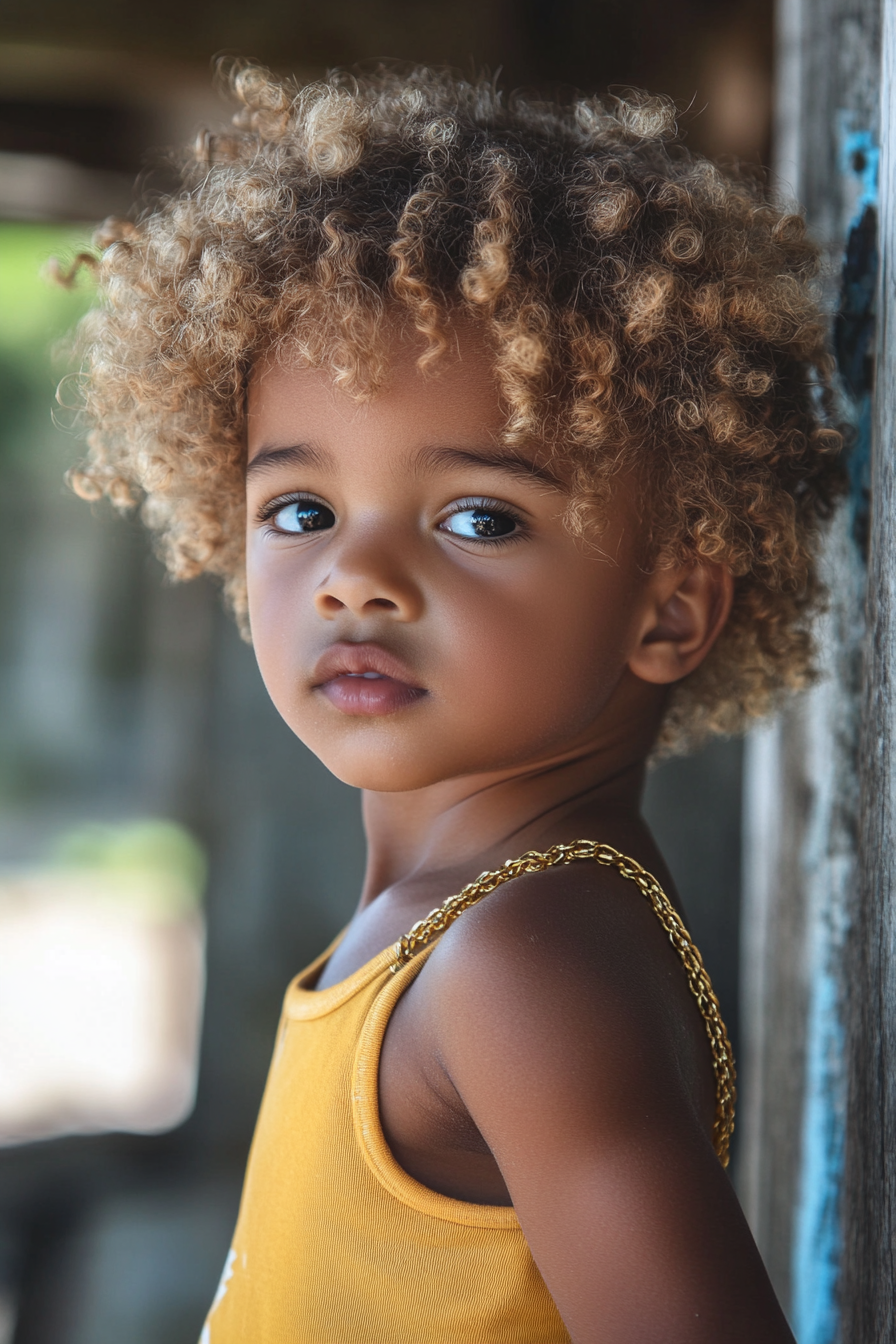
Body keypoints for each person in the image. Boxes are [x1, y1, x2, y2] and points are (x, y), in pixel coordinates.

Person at [64, 62, 843, 1343]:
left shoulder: (517, 970)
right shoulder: (432, 934)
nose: (354, 579)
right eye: (300, 511)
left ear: (668, 608)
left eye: (478, 518)